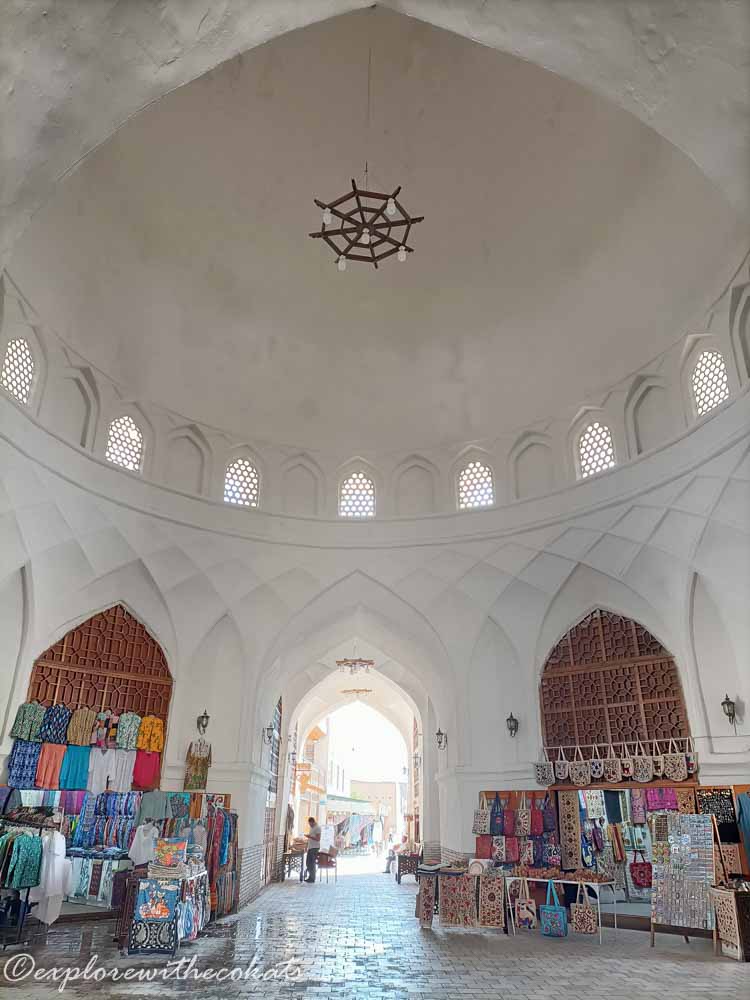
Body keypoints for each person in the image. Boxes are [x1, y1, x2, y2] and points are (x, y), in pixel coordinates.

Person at [304, 816, 321, 883]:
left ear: (313, 822)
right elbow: (311, 838)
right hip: (310, 847)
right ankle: (310, 877)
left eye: (310, 823)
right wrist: (306, 846)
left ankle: (312, 878)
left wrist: (309, 836)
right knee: (308, 863)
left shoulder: (318, 828)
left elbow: (318, 839)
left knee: (312, 863)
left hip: (315, 848)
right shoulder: (312, 828)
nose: (309, 825)